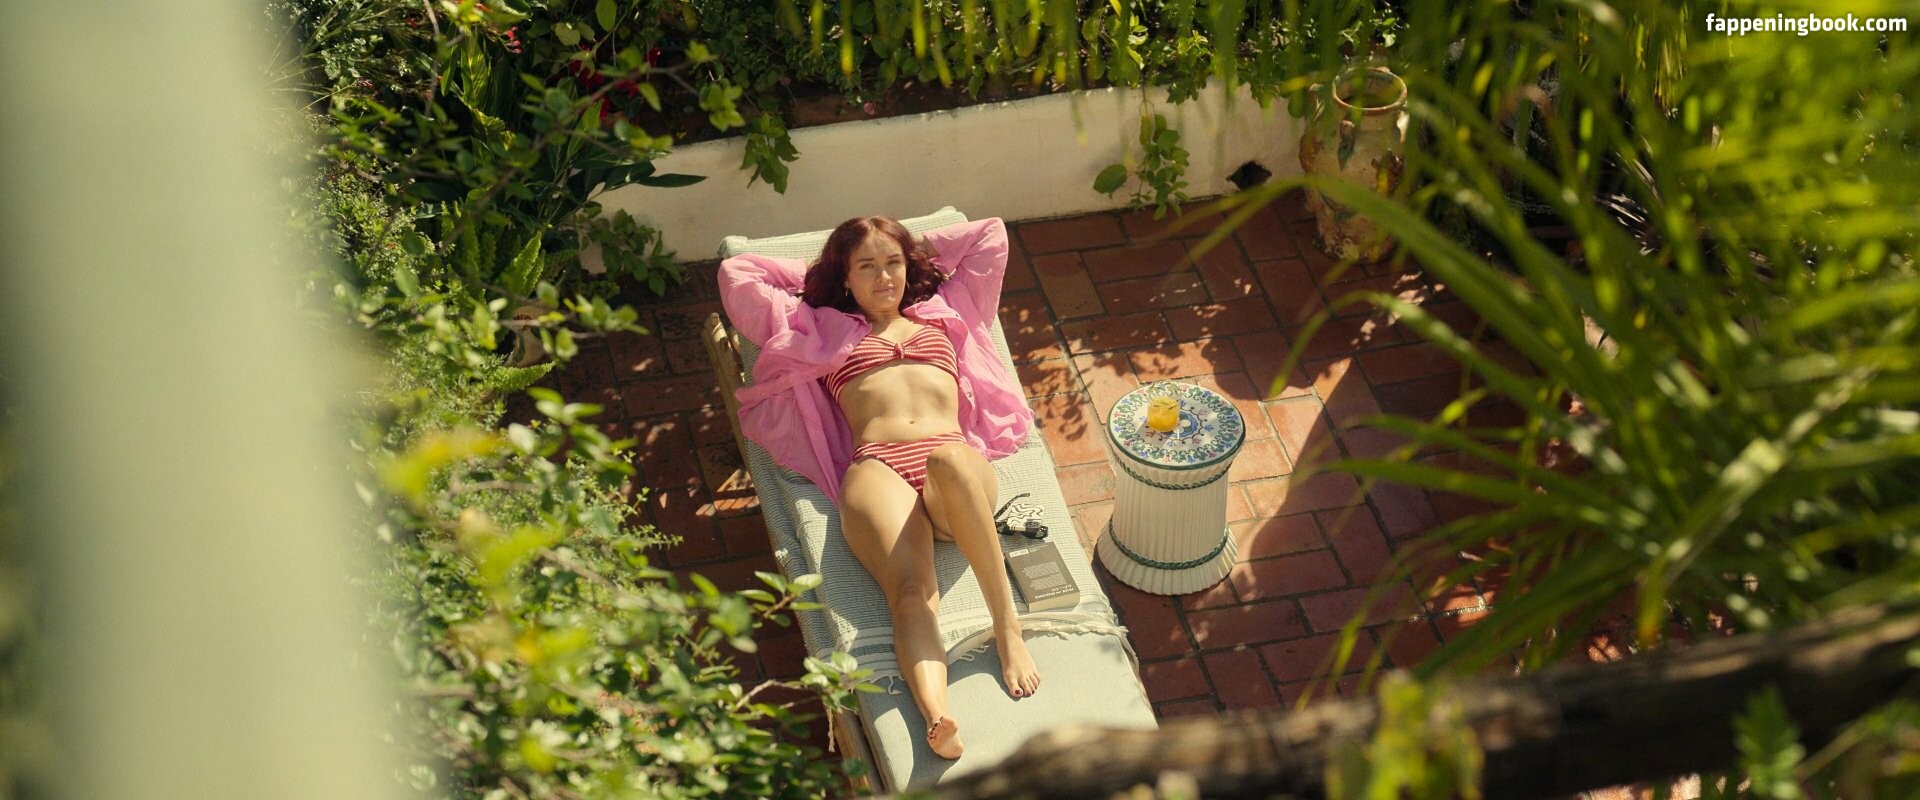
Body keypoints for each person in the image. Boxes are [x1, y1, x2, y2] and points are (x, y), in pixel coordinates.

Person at [717, 215, 1038, 760]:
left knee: (948, 459)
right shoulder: (812, 326)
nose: (884, 277)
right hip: (877, 466)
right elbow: (737, 273)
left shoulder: (947, 307)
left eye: (893, 263)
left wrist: (909, 246)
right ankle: (938, 717)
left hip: (951, 462)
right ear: (845, 277)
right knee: (909, 594)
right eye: (866, 267)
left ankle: (1006, 627)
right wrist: (825, 267)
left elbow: (989, 236)